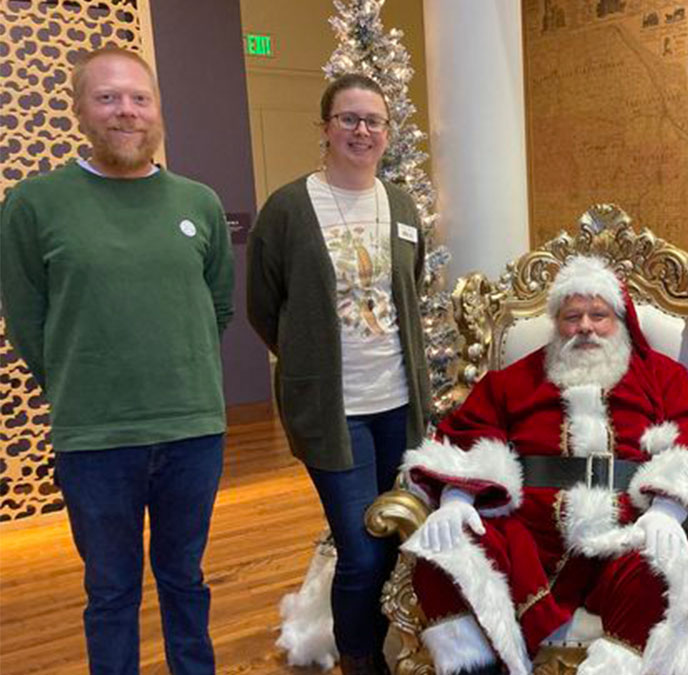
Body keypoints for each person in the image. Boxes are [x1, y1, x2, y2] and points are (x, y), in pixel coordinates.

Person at [0, 47, 233, 674]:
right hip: (96, 439)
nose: (125, 111)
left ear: (157, 111)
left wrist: (177, 370)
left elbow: (216, 307)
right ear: (79, 109)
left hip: (192, 432)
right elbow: (26, 319)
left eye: (138, 98)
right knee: (110, 592)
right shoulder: (34, 205)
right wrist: (86, 382)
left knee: (186, 580)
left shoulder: (199, 203)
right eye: (107, 98)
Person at [400, 255, 688, 675]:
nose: (586, 327)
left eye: (598, 315)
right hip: (530, 536)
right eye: (573, 316)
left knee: (662, 573)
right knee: (445, 554)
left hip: (627, 529)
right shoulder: (515, 380)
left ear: (619, 320)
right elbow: (471, 431)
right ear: (556, 322)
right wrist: (459, 496)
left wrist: (669, 509)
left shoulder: (660, 377)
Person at [245, 74, 432, 675]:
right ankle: (360, 659)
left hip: (400, 407)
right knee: (358, 548)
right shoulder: (289, 209)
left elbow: (412, 284)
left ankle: (396, 645)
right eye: (349, 119)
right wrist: (307, 362)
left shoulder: (401, 205)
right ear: (325, 128)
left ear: (387, 130)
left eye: (374, 120)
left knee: (400, 538)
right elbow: (263, 305)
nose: (362, 131)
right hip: (334, 412)